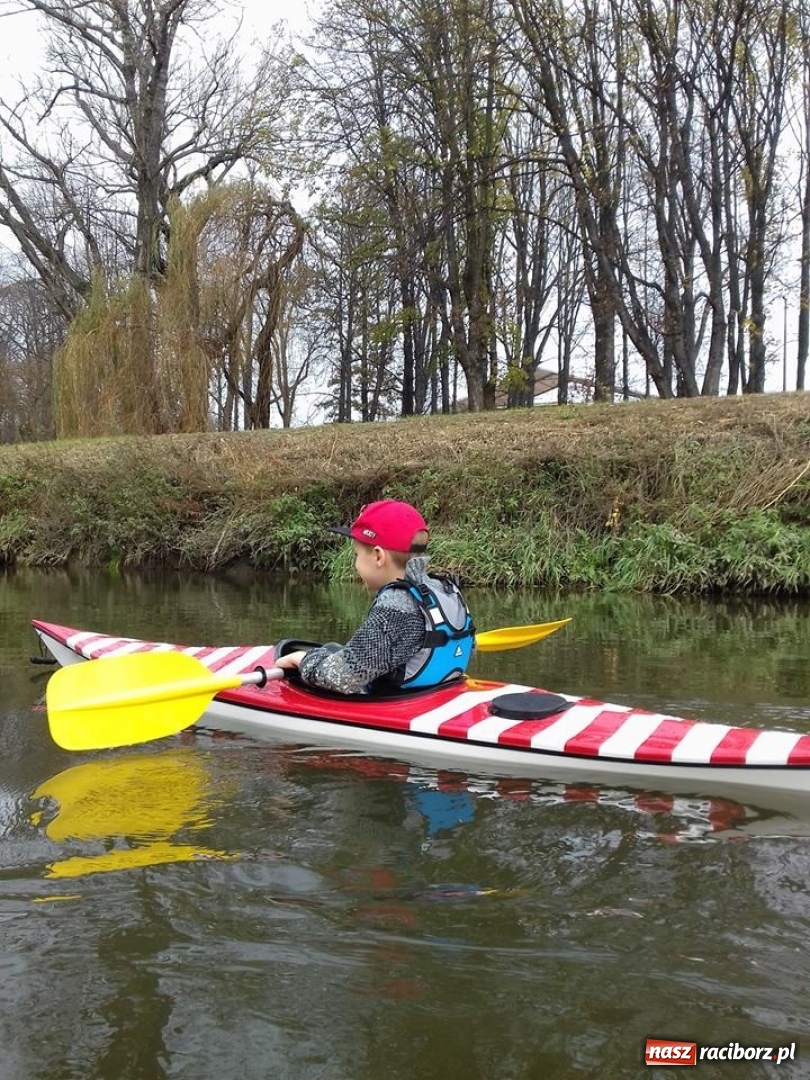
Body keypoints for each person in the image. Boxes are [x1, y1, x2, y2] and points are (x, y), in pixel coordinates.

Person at [275, 499, 475, 695]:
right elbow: (468, 647)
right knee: (332, 649)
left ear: (378, 556)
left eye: (356, 555)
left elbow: (342, 678)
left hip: (400, 708)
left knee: (323, 659)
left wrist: (303, 660)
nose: (355, 563)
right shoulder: (444, 590)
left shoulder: (396, 606)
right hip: (436, 692)